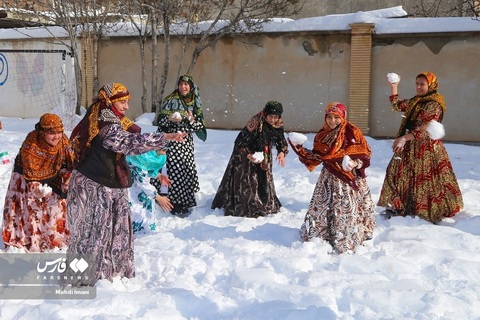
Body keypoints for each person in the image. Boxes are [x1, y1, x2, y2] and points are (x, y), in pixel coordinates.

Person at [67, 83, 186, 286]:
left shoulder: (105, 115)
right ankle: (96, 276)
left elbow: (130, 139)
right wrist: (164, 137)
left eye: (128, 102)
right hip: (97, 184)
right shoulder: (106, 121)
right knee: (98, 231)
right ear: (110, 101)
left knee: (108, 230)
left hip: (105, 181)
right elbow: (128, 143)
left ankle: (106, 272)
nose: (126, 106)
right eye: (122, 102)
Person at [377, 71, 463, 223]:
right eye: (417, 84)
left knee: (426, 179)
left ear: (431, 85)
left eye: (422, 84)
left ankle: (430, 209)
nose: (418, 87)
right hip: (410, 145)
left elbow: (426, 129)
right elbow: (397, 106)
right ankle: (396, 205)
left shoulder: (435, 103)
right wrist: (394, 86)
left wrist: (404, 137)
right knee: (397, 172)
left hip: (427, 149)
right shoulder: (416, 101)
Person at [289, 102, 375, 254]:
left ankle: (346, 239)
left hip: (349, 178)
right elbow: (316, 157)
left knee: (346, 211)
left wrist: (355, 163)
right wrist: (298, 147)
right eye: (329, 117)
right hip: (329, 178)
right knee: (323, 209)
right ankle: (321, 237)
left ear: (343, 117)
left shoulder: (352, 132)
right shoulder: (323, 134)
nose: (332, 121)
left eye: (336, 117)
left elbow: (366, 155)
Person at [2, 113, 74, 252]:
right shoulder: (31, 143)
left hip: (54, 178)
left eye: (59, 132)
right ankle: (30, 239)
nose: (57, 137)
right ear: (42, 132)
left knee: (56, 207)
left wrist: (67, 177)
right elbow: (31, 173)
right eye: (52, 133)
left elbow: (70, 162)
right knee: (32, 209)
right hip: (26, 179)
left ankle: (53, 238)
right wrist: (37, 189)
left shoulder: (63, 142)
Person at [211, 100, 288, 218]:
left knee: (263, 179)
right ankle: (251, 204)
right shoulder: (255, 122)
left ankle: (264, 201)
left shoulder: (278, 123)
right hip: (246, 155)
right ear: (265, 113)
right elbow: (240, 142)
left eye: (276, 117)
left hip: (264, 155)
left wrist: (281, 152)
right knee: (249, 181)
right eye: (270, 116)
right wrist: (248, 155)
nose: (273, 120)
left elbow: (280, 139)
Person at [151, 74, 207, 215]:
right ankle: (170, 201)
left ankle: (183, 201)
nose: (183, 87)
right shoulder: (170, 100)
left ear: (191, 86)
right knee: (172, 169)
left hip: (185, 142)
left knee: (184, 170)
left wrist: (191, 120)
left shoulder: (195, 103)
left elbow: (200, 129)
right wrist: (170, 119)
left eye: (186, 84)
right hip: (169, 140)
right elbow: (160, 121)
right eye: (181, 84)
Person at [126, 149, 173, 233]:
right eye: (162, 150)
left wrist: (158, 175)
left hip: (139, 188)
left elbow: (147, 168)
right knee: (137, 210)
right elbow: (142, 180)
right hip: (133, 189)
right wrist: (157, 197)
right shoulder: (140, 157)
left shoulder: (146, 155)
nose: (163, 154)